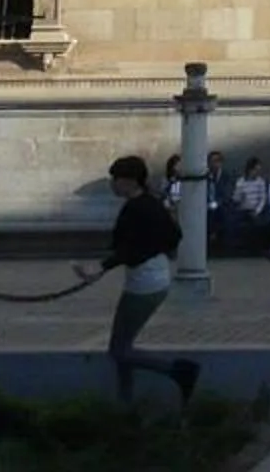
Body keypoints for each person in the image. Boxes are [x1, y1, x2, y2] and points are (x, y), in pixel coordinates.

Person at [80, 155, 199, 407]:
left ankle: (177, 371)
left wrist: (100, 267)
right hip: (153, 279)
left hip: (143, 285)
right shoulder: (150, 203)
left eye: (116, 179)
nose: (113, 184)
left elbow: (131, 249)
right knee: (124, 346)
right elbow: (172, 235)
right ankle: (126, 400)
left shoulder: (137, 208)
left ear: (130, 181)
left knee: (119, 350)